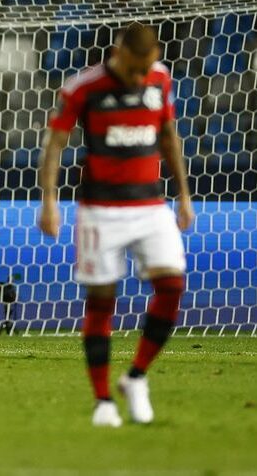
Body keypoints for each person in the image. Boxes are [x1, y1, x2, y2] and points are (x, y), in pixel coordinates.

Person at [37, 22, 193, 427]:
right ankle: (103, 401)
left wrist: (184, 195)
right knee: (102, 301)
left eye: (148, 68)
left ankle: (136, 376)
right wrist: (49, 201)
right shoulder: (82, 87)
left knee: (173, 285)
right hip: (100, 211)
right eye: (135, 69)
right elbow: (55, 142)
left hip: (151, 206)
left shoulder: (160, 80)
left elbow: (168, 136)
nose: (141, 78)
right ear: (118, 54)